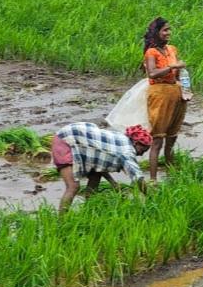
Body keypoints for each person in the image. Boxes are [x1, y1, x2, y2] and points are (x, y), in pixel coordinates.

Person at [52, 122, 151, 211]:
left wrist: (114, 183)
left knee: (95, 176)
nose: (141, 154)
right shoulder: (127, 152)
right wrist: (151, 197)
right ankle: (61, 222)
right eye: (143, 150)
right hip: (65, 141)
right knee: (73, 186)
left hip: (78, 138)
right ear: (136, 143)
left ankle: (89, 209)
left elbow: (100, 164)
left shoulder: (122, 139)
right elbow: (138, 178)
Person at [143, 17, 188, 181]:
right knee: (158, 139)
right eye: (165, 30)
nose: (168, 33)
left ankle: (171, 176)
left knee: (172, 137)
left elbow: (178, 74)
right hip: (159, 94)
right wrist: (171, 67)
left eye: (169, 30)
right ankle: (153, 179)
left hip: (175, 92)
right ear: (156, 33)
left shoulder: (172, 49)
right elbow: (152, 73)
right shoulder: (151, 52)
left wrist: (186, 87)